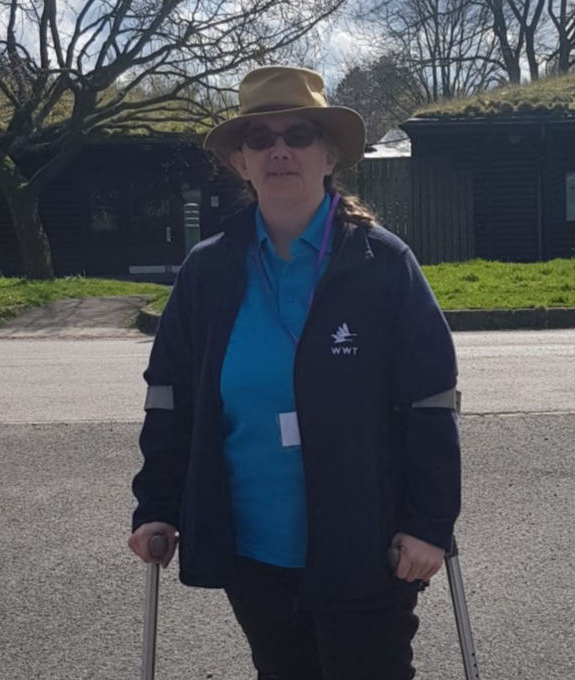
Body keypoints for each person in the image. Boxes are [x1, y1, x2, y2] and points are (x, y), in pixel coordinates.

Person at [128, 65, 462, 680]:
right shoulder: (207, 271)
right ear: (240, 162)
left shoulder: (383, 264)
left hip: (367, 545)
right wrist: (156, 505)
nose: (279, 149)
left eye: (300, 134)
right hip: (254, 551)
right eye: (260, 138)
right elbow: (169, 397)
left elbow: (431, 401)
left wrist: (429, 525)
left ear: (329, 153)